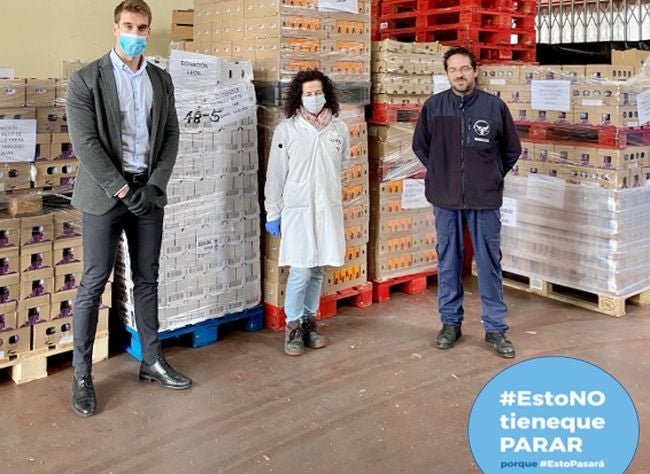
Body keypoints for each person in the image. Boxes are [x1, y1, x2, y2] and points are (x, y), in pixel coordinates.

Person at [66, 0, 191, 418]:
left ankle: (152, 360)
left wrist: (155, 184)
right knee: (94, 281)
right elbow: (85, 144)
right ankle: (82, 375)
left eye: (142, 28)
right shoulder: (86, 80)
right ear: (114, 27)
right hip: (104, 197)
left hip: (148, 196)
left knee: (147, 279)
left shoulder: (160, 79)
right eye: (128, 26)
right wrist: (121, 189)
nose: (135, 35)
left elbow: (171, 134)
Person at [412, 46, 521, 359]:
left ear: (475, 71)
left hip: (484, 198)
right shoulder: (435, 107)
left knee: (488, 261)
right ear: (447, 74)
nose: (458, 74)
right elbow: (420, 146)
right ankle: (450, 323)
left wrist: (491, 175)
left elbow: (512, 149)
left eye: (464, 68)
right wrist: (442, 173)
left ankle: (496, 328)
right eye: (453, 69)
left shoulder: (494, 107)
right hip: (445, 199)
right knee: (448, 260)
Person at [264, 70, 350, 356]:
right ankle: (293, 326)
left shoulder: (338, 129)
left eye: (317, 92)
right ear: (298, 97)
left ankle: (311, 322)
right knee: (300, 270)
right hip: (298, 210)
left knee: (317, 269)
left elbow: (342, 164)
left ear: (326, 93)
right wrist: (272, 211)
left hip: (326, 208)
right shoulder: (286, 130)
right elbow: (275, 175)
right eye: (308, 93)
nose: (314, 98)